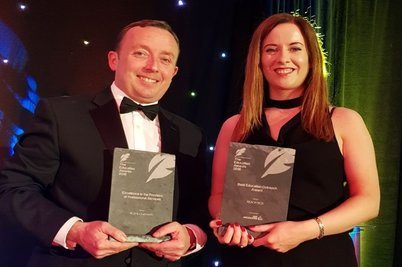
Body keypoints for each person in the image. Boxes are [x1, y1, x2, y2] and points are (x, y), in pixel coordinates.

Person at [0, 20, 209, 267]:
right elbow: (12, 188)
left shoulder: (191, 135)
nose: (153, 67)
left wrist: (192, 236)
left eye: (165, 59)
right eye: (140, 53)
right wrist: (76, 230)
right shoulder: (61, 115)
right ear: (114, 60)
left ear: (174, 72)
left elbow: (199, 210)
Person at [208, 13, 380, 267]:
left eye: (295, 48)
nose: (283, 58)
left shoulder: (344, 121)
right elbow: (218, 195)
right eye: (271, 49)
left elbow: (368, 201)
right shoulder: (235, 125)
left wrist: (305, 230)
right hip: (248, 259)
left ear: (312, 58)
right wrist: (227, 223)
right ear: (258, 60)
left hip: (322, 257)